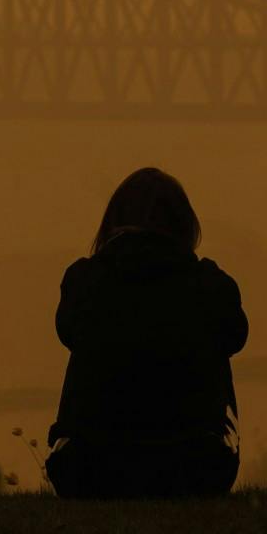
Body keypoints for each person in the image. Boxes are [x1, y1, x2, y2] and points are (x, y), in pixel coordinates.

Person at [45, 167, 247, 499]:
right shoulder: (210, 284)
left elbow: (68, 332)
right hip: (196, 472)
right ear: (185, 225)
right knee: (213, 336)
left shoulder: (84, 280)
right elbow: (235, 337)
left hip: (88, 473)